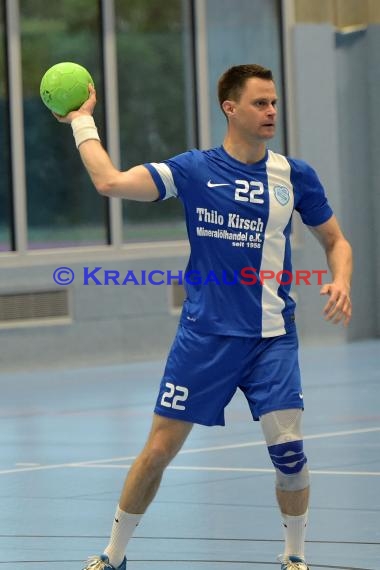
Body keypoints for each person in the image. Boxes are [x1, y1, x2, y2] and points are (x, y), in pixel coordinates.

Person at [54, 64, 352, 570]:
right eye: (260, 103)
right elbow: (108, 182)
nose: (272, 111)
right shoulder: (194, 170)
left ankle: (295, 557)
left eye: (275, 102)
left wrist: (341, 278)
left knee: (290, 454)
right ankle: (113, 555)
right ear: (229, 108)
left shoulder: (294, 175)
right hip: (205, 338)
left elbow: (335, 240)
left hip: (271, 340)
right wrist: (83, 120)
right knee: (157, 452)